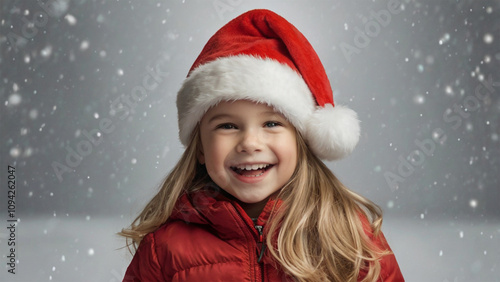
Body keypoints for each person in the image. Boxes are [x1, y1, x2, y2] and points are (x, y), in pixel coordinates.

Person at [120, 9, 404, 282]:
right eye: (227, 126)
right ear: (201, 149)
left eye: (271, 124)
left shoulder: (350, 234)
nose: (250, 143)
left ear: (301, 140)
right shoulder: (164, 249)